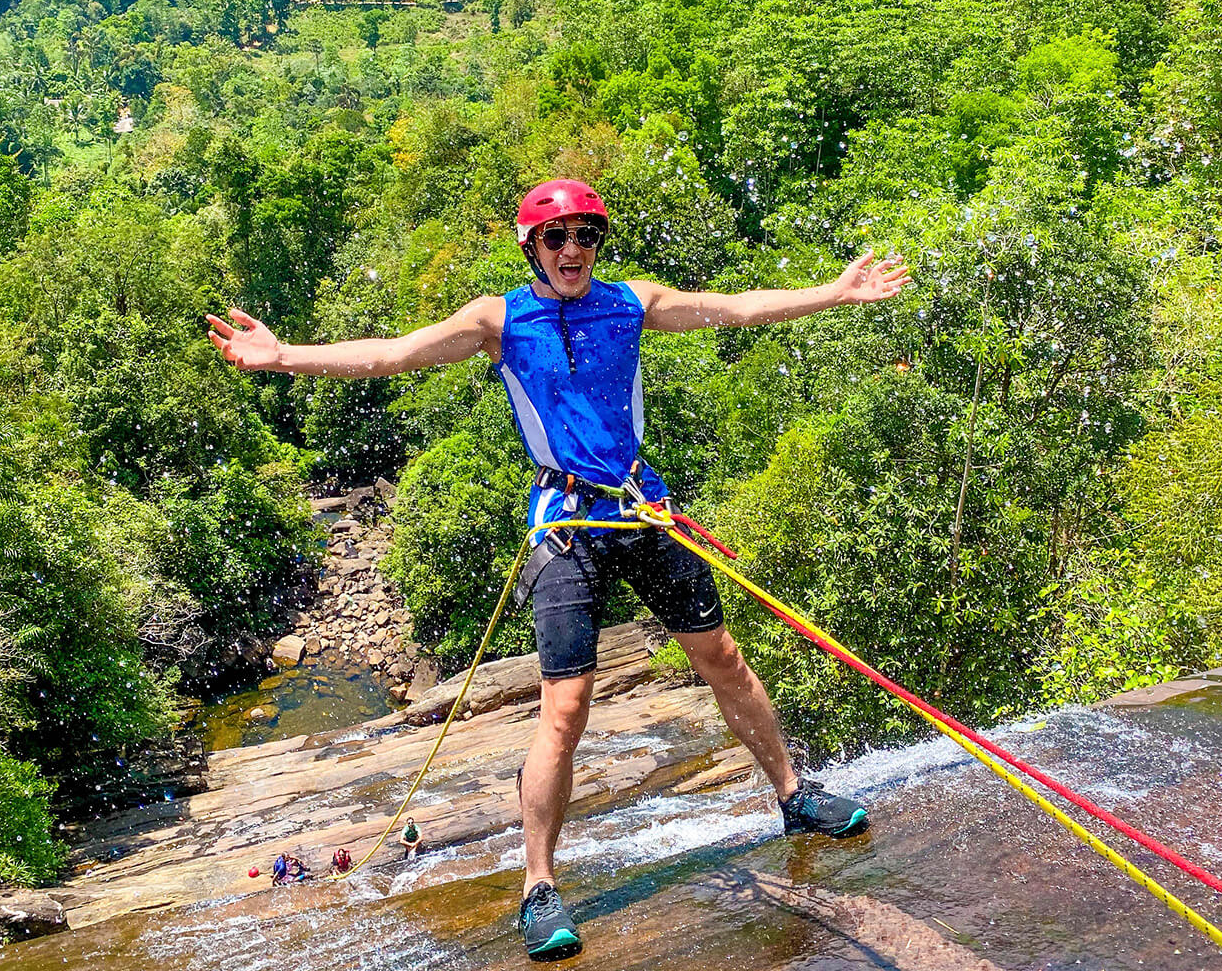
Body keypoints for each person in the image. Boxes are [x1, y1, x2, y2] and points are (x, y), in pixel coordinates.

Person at [208, 178, 910, 962]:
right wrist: (283, 359)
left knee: (722, 657)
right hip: (566, 521)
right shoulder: (500, 319)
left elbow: (736, 305)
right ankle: (538, 888)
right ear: (530, 247)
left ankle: (793, 794)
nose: (572, 250)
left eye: (585, 236)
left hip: (642, 507)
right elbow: (393, 354)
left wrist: (837, 294)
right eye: (556, 238)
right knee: (565, 706)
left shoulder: (631, 302)